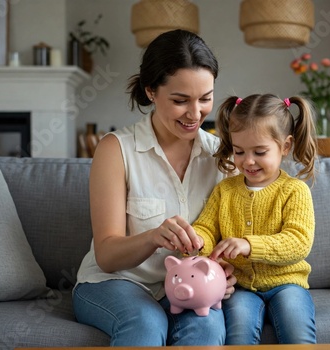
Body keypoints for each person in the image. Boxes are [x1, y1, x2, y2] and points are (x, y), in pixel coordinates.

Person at [72, 29, 236, 346]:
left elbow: (229, 237)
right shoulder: (115, 150)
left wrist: (224, 276)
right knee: (145, 324)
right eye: (180, 100)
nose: (195, 113)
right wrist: (152, 237)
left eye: (205, 99)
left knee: (207, 329)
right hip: (115, 281)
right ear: (151, 91)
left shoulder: (221, 156)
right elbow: (106, 255)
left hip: (188, 287)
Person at [192, 93, 318, 345]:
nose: (248, 161)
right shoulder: (225, 190)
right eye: (239, 151)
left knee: (298, 333)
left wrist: (250, 245)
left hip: (287, 284)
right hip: (241, 287)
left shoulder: (294, 191)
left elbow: (298, 242)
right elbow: (205, 228)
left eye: (259, 152)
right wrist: (195, 241)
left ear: (285, 146)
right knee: (238, 333)